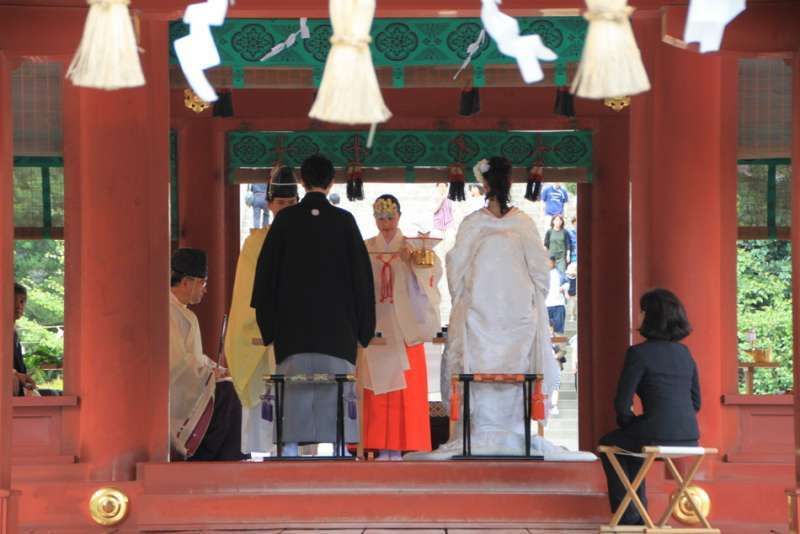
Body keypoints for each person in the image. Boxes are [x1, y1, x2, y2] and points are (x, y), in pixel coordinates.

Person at [426, 156, 560, 458]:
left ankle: (479, 434)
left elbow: (455, 265)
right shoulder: (524, 223)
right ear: (509, 183)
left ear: (484, 185)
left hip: (479, 315)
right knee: (515, 370)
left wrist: (464, 295)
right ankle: (514, 433)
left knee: (479, 367)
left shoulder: (473, 223)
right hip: (518, 317)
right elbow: (540, 271)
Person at [251, 155, 376, 456]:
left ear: (302, 183)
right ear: (332, 182)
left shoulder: (285, 220)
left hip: (292, 333)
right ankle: (339, 454)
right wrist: (364, 331)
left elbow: (265, 279)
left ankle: (291, 452)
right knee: (336, 396)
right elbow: (362, 279)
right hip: (338, 333)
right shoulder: (344, 221)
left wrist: (270, 330)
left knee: (294, 396)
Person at [599, 289, 701, 526]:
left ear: (650, 316)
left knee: (610, 442)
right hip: (690, 437)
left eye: (642, 311)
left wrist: (629, 422)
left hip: (654, 433)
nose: (639, 316)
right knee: (631, 442)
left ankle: (629, 518)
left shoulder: (639, 353)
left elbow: (622, 404)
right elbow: (696, 402)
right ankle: (636, 515)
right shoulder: (685, 353)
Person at [225, 166, 299, 455]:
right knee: (266, 402)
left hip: (298, 334)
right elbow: (246, 293)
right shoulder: (255, 241)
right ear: (269, 204)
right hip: (264, 331)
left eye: (291, 204)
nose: (285, 209)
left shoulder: (308, 241)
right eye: (280, 204)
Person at [362, 195, 441, 460]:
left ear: (399, 217)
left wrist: (414, 262)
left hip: (403, 324)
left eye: (390, 217)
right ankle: (376, 445)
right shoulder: (365, 247)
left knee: (403, 394)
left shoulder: (411, 248)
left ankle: (398, 448)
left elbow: (430, 278)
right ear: (374, 218)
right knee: (375, 391)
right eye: (380, 217)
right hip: (375, 321)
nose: (385, 223)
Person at [170, 248, 247, 461]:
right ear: (186, 282)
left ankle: (228, 457)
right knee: (229, 394)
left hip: (193, 385)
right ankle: (217, 459)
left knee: (231, 387)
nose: (205, 290)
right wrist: (210, 373)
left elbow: (195, 357)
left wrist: (217, 370)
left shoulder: (182, 314)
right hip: (176, 398)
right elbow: (176, 363)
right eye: (202, 283)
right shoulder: (167, 312)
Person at [12, 283, 35, 396]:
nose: (18, 306)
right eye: (13, 300)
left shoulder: (13, 332)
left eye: (22, 301)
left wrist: (24, 379)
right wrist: (16, 375)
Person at [546, 257, 569, 335]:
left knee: (558, 330)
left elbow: (567, 283)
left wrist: (562, 288)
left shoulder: (559, 273)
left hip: (558, 305)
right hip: (546, 305)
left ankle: (558, 345)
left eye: (549, 262)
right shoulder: (541, 275)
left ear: (554, 263)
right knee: (546, 330)